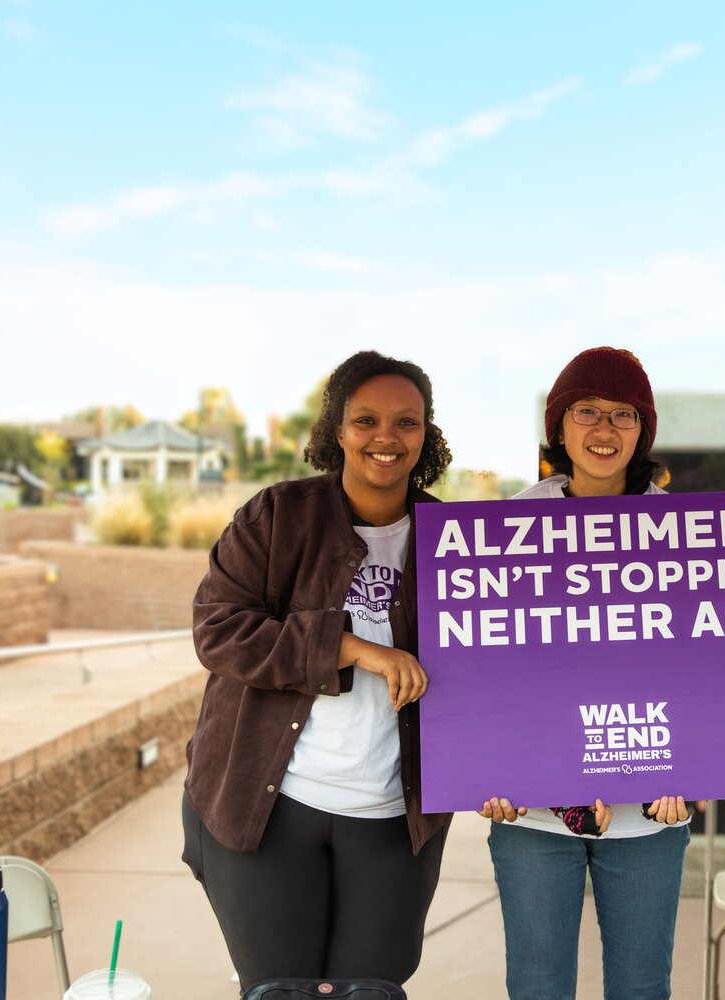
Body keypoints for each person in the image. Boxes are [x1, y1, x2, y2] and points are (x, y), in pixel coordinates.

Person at [181, 350, 454, 991]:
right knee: (282, 990)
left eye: (406, 422)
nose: (386, 438)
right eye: (366, 420)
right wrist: (351, 647)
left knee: (372, 990)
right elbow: (218, 629)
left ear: (426, 434)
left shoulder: (452, 540)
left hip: (393, 814)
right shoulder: (277, 517)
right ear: (338, 430)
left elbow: (499, 660)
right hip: (271, 806)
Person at [478, 346, 692, 1000]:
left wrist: (694, 766)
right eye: (586, 412)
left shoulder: (687, 531)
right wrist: (490, 767)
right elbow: (490, 670)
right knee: (538, 987)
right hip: (536, 814)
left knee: (641, 988)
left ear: (643, 430)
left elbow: (704, 668)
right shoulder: (507, 527)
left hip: (652, 811)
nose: (604, 430)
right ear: (560, 427)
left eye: (624, 414)